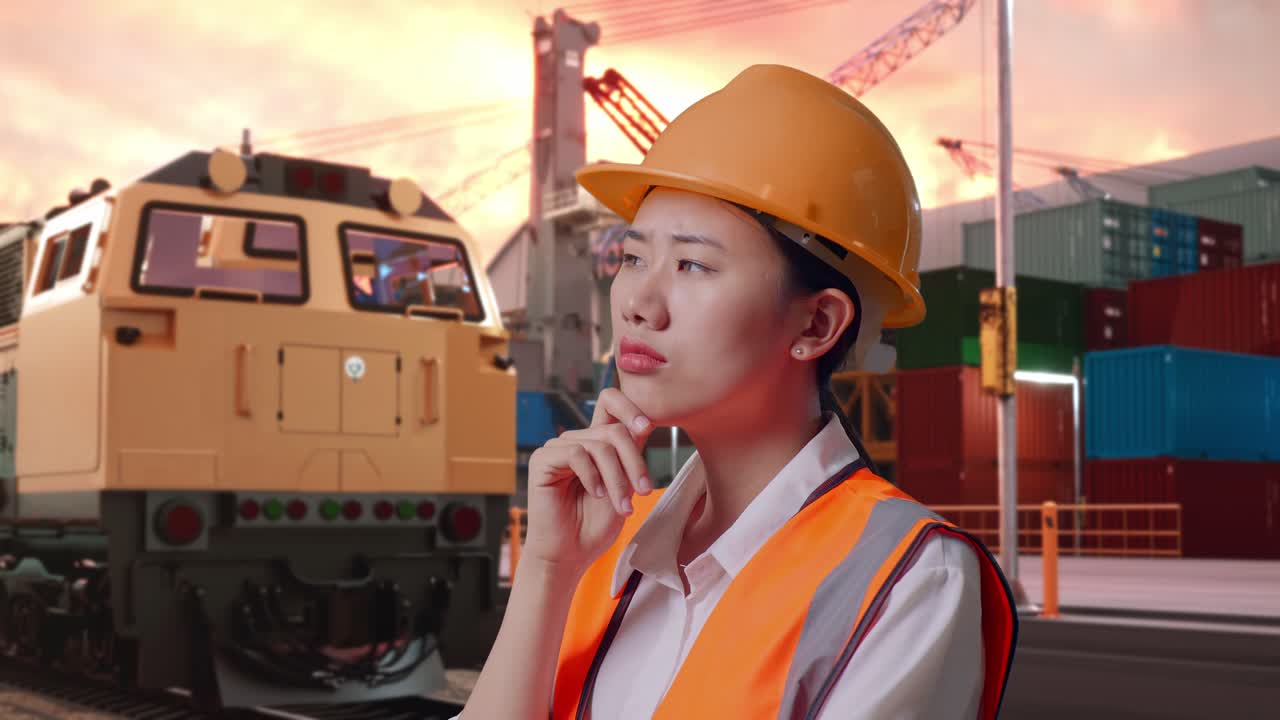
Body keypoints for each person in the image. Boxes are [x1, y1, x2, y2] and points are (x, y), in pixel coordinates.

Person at [455, 64, 1017, 720]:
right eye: (632, 259)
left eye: (693, 265)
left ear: (816, 324)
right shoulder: (610, 536)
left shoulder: (910, 576)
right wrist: (548, 569)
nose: (638, 300)